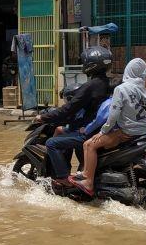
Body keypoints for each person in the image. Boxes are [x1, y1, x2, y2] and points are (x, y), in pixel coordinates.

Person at [75, 58, 146, 196]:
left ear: (128, 70)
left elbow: (113, 115)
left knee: (89, 145)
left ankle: (88, 181)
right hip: (145, 134)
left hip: (126, 133)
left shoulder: (121, 89)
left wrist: (102, 132)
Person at [37, 47, 113, 182]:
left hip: (89, 132)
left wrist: (43, 117)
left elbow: (68, 109)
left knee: (51, 143)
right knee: (64, 132)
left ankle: (62, 180)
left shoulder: (90, 86)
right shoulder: (111, 83)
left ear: (90, 65)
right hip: (104, 131)